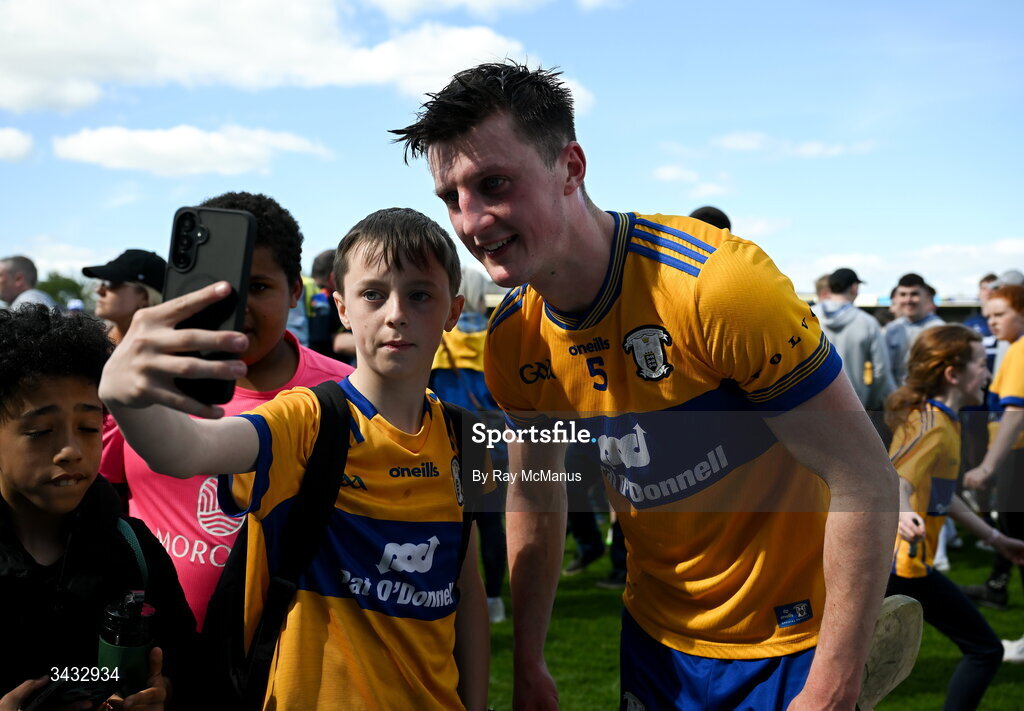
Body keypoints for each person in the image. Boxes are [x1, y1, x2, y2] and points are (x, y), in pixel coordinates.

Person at [393, 61, 898, 710]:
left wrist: (832, 684)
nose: (471, 222)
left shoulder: (718, 287)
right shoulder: (513, 341)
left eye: (493, 184)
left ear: (571, 167)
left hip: (793, 646)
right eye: (451, 197)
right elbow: (537, 497)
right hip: (656, 642)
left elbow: (865, 477)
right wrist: (528, 661)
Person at [99, 207, 489, 710]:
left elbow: (467, 586)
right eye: (373, 293)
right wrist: (123, 393)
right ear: (341, 306)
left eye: (420, 295)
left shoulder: (463, 436)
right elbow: (187, 450)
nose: (396, 313)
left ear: (453, 312)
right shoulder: (307, 419)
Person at [99, 193, 354, 631]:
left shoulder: (343, 394)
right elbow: (99, 502)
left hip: (281, 664)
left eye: (257, 287)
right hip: (152, 650)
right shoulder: (139, 385)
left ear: (294, 291)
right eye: (218, 289)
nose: (237, 307)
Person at [0, 305, 197, 709]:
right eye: (40, 432)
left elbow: (191, 662)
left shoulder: (134, 550)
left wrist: (164, 692)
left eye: (89, 428)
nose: (71, 450)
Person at [886, 324, 1024, 709]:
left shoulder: (943, 420)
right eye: (981, 363)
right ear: (953, 374)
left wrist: (997, 540)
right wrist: (901, 511)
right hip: (898, 567)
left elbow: (946, 498)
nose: (989, 374)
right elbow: (894, 476)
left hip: (907, 565)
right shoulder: (930, 424)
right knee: (984, 649)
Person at [431, 266, 509, 623]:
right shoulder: (501, 335)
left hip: (448, 440)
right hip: (494, 440)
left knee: (446, 523)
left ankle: (444, 594)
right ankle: (493, 599)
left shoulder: (436, 338)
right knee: (492, 523)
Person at [963, 285, 1024, 659]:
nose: (992, 322)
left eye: (999, 314)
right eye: (988, 316)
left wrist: (987, 467)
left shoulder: (1019, 350)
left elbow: (1015, 414)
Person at [813, 267, 894, 412]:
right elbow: (881, 371)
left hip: (812, 403)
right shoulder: (868, 322)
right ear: (854, 287)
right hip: (854, 405)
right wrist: (872, 402)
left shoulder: (809, 316)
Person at [83, 249, 167, 344]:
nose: (98, 290)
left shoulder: (166, 350)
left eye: (111, 282)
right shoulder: (89, 341)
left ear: (145, 297)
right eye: (102, 282)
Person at [884, 273, 944, 385]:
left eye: (914, 294)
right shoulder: (892, 329)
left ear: (926, 296)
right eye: (903, 294)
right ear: (896, 298)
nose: (908, 300)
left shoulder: (938, 329)